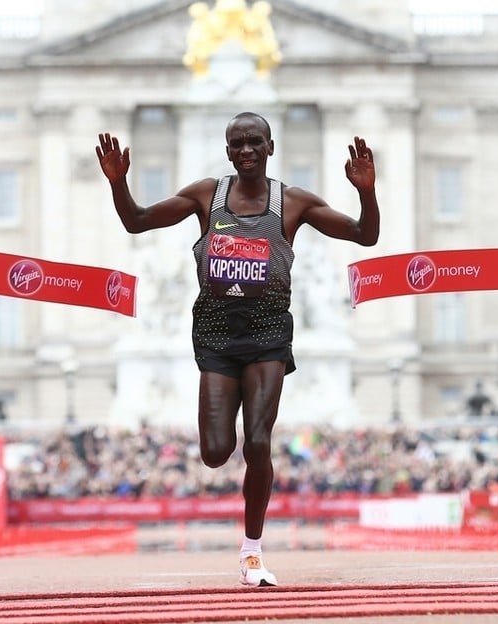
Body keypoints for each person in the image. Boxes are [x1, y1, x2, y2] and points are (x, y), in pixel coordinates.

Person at [96, 112, 379, 587]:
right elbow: (137, 220)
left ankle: (252, 552)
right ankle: (234, 485)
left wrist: (366, 191)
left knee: (260, 441)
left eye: (254, 143)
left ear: (271, 147)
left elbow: (364, 234)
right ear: (227, 151)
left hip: (268, 335)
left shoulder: (293, 203)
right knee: (215, 451)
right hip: (217, 337)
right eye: (237, 144)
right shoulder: (207, 196)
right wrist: (118, 184)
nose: (246, 151)